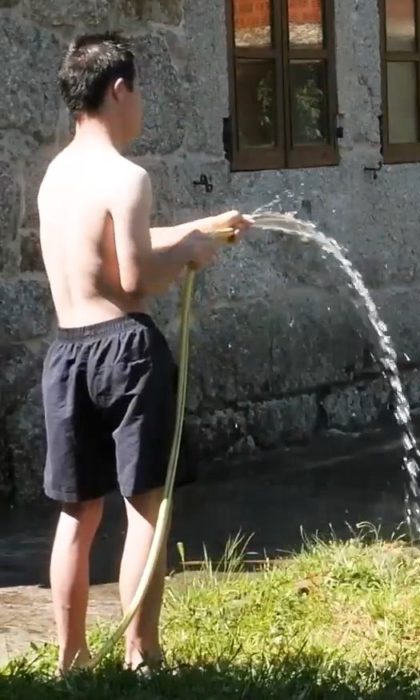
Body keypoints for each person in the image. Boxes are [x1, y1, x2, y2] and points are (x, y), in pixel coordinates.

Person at [37, 33, 250, 674]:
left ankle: (69, 661)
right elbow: (134, 277)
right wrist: (187, 257)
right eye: (140, 92)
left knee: (77, 516)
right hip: (126, 352)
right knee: (145, 511)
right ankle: (142, 654)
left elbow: (107, 246)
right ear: (119, 89)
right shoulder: (129, 176)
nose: (142, 104)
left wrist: (197, 230)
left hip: (68, 352)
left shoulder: (57, 176)